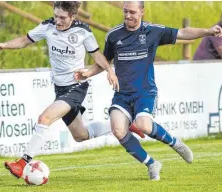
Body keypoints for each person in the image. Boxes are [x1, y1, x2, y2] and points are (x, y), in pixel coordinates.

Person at [75, 1, 222, 181]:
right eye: (125, 11)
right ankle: (151, 163)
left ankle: (175, 143)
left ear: (142, 12)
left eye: (132, 12)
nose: (128, 15)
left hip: (145, 92)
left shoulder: (153, 31)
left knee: (143, 124)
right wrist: (89, 72)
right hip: (122, 95)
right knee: (118, 129)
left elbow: (183, 32)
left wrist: (207, 31)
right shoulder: (113, 35)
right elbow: (105, 61)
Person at [0, 1, 122, 179]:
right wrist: (5, 45)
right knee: (81, 135)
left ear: (73, 16)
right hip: (60, 89)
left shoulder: (82, 31)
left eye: (62, 17)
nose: (58, 21)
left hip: (76, 86)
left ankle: (22, 163)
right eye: (56, 16)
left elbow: (97, 55)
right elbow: (24, 40)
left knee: (44, 118)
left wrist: (110, 71)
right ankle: (124, 125)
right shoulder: (47, 26)